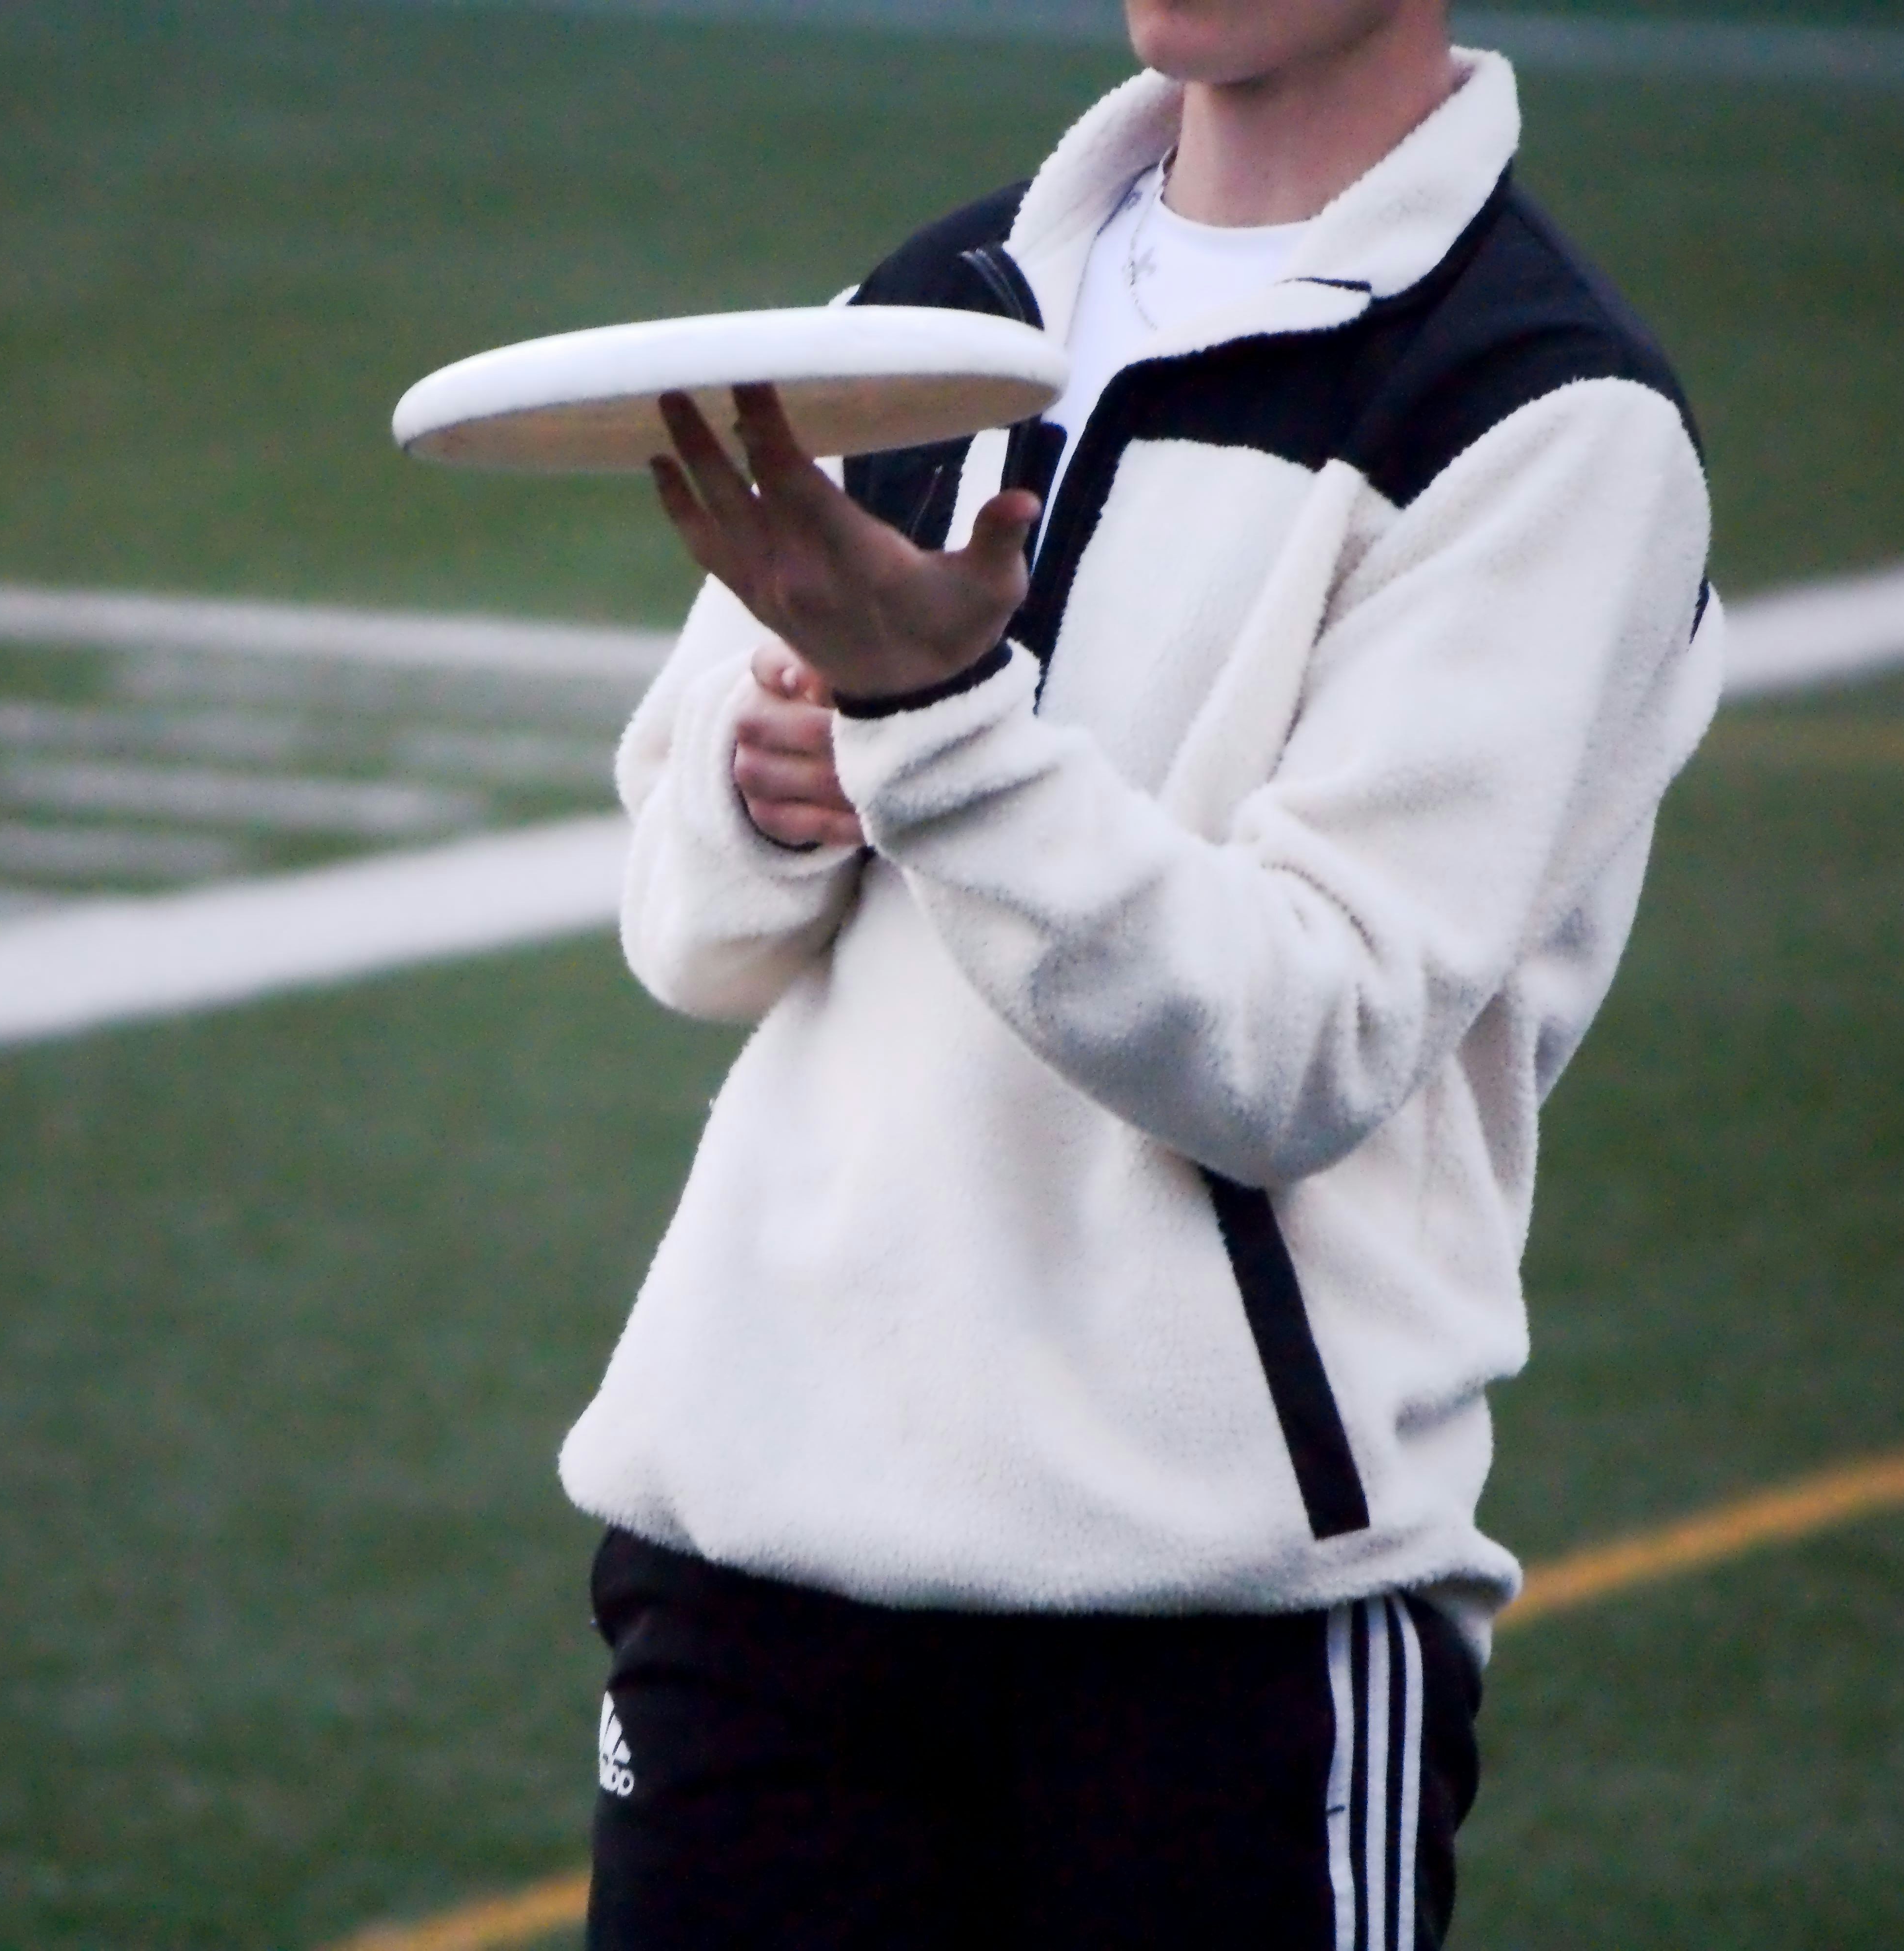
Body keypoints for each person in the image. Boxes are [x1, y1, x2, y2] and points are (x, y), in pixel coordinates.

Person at [559, 0, 1718, 1941]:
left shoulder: (1547, 421)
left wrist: (926, 722)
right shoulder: (938, 300)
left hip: (1217, 1640)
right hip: (749, 1578)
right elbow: (687, 925)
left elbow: (1302, 1039)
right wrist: (767, 795)